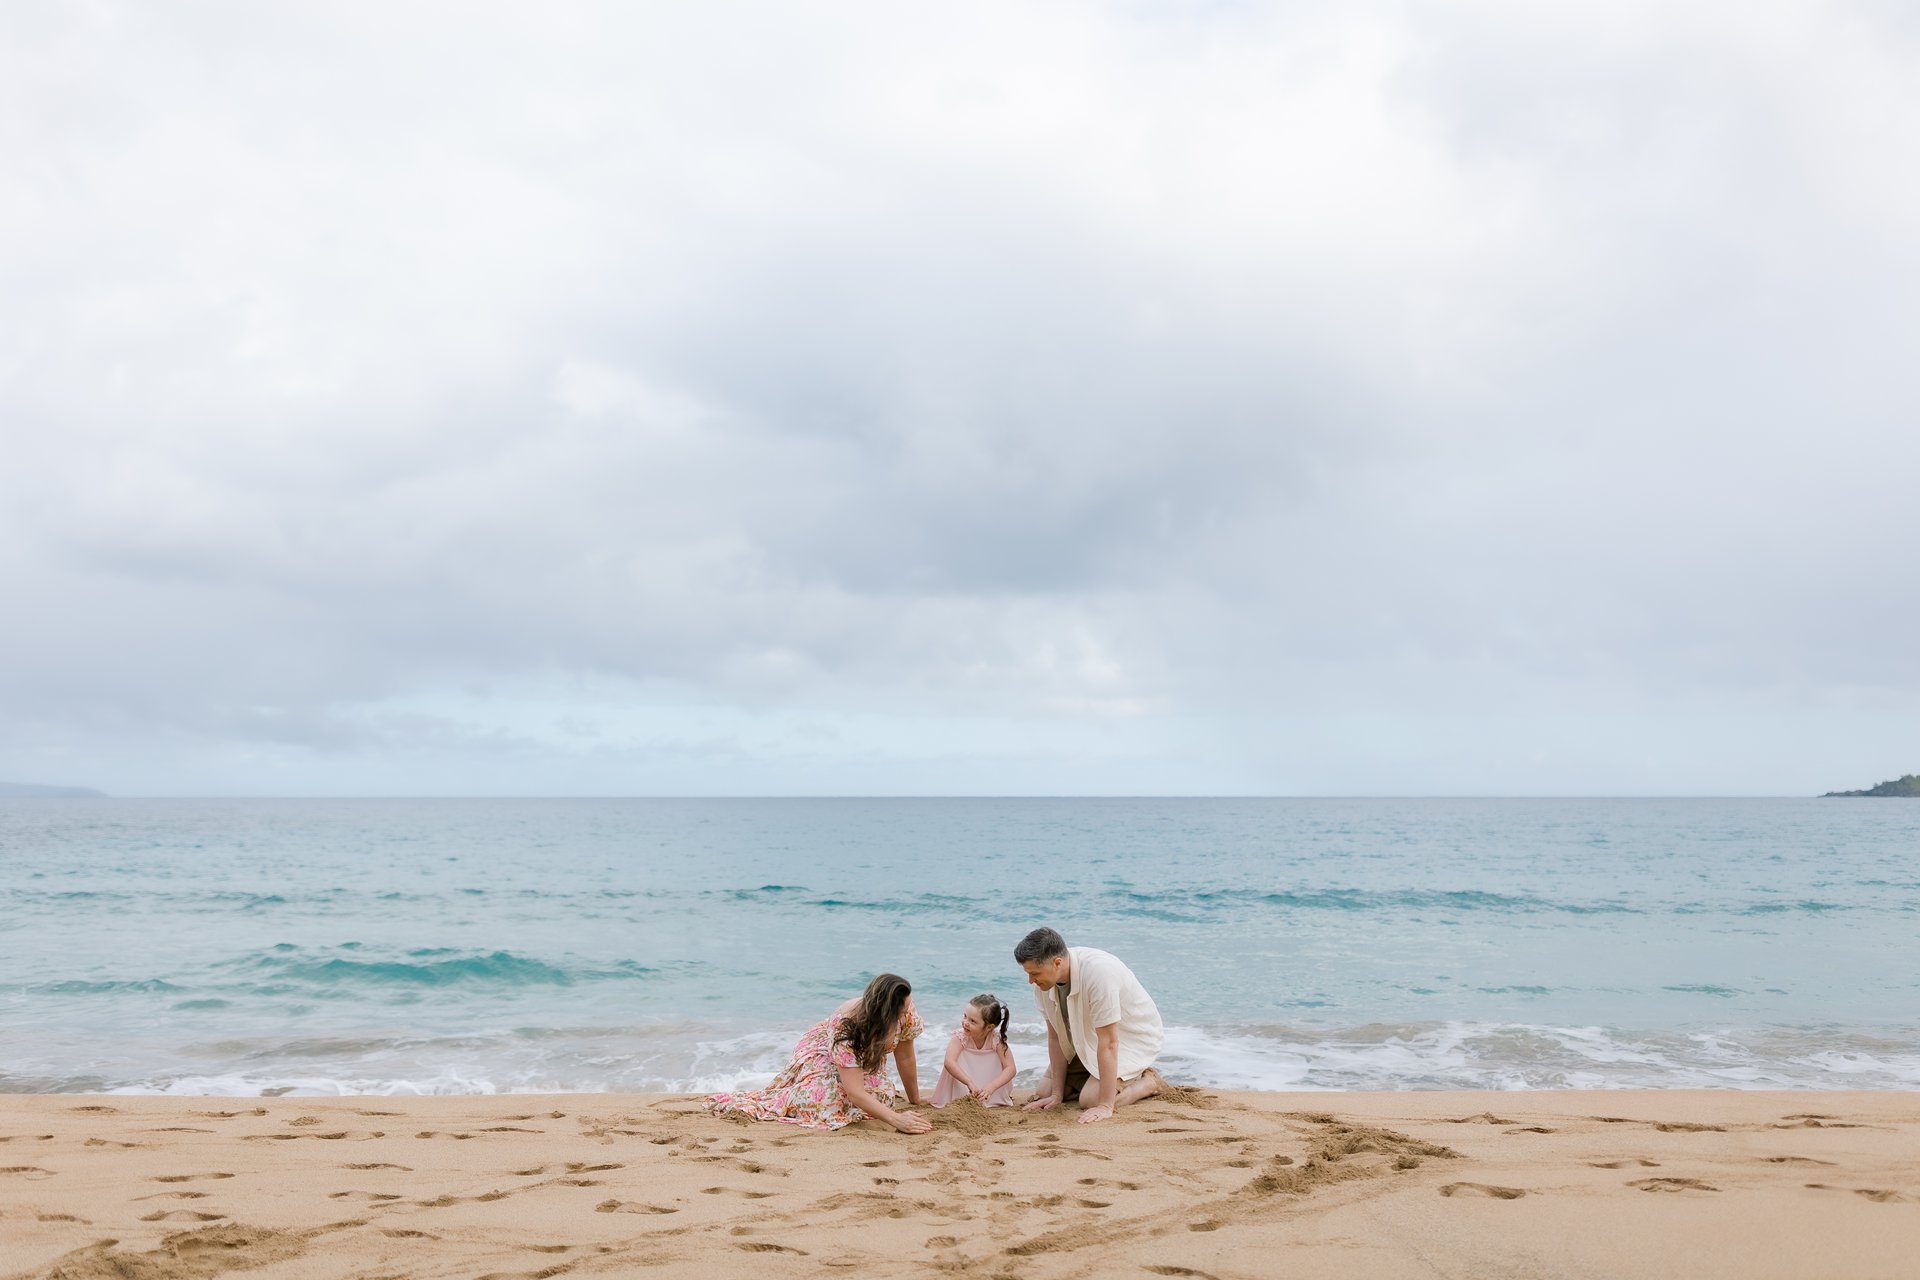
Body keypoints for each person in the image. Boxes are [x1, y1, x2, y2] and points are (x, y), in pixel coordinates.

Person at [705, 973, 932, 1133]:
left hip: (864, 1048)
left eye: (907, 1008)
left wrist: (915, 1099)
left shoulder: (903, 1005)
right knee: (825, 1101)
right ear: (883, 1013)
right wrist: (897, 1120)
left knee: (882, 1096)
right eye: (901, 1013)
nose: (906, 1016)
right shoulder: (846, 1028)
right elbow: (855, 1093)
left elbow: (905, 1056)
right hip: (823, 1049)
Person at [1015, 927, 1163, 1124]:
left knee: (1090, 1100)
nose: (1030, 981)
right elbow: (1056, 1037)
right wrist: (1057, 1095)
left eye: (1035, 973)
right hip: (1086, 1039)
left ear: (1057, 963)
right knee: (1045, 1092)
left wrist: (1105, 1106)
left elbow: (1109, 1042)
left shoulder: (1100, 973)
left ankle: (1149, 1083)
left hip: (1128, 1039)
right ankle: (1089, 1081)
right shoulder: (1043, 984)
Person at [928, 993, 1017, 1108]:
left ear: (989, 1027)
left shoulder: (995, 1039)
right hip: (964, 1083)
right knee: (957, 1056)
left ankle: (989, 1096)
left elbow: (1011, 1068)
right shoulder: (960, 1036)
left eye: (972, 1021)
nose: (965, 1022)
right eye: (965, 1016)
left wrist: (992, 1086)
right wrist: (969, 1082)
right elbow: (949, 1062)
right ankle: (963, 1095)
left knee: (997, 1056)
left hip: (989, 1087)